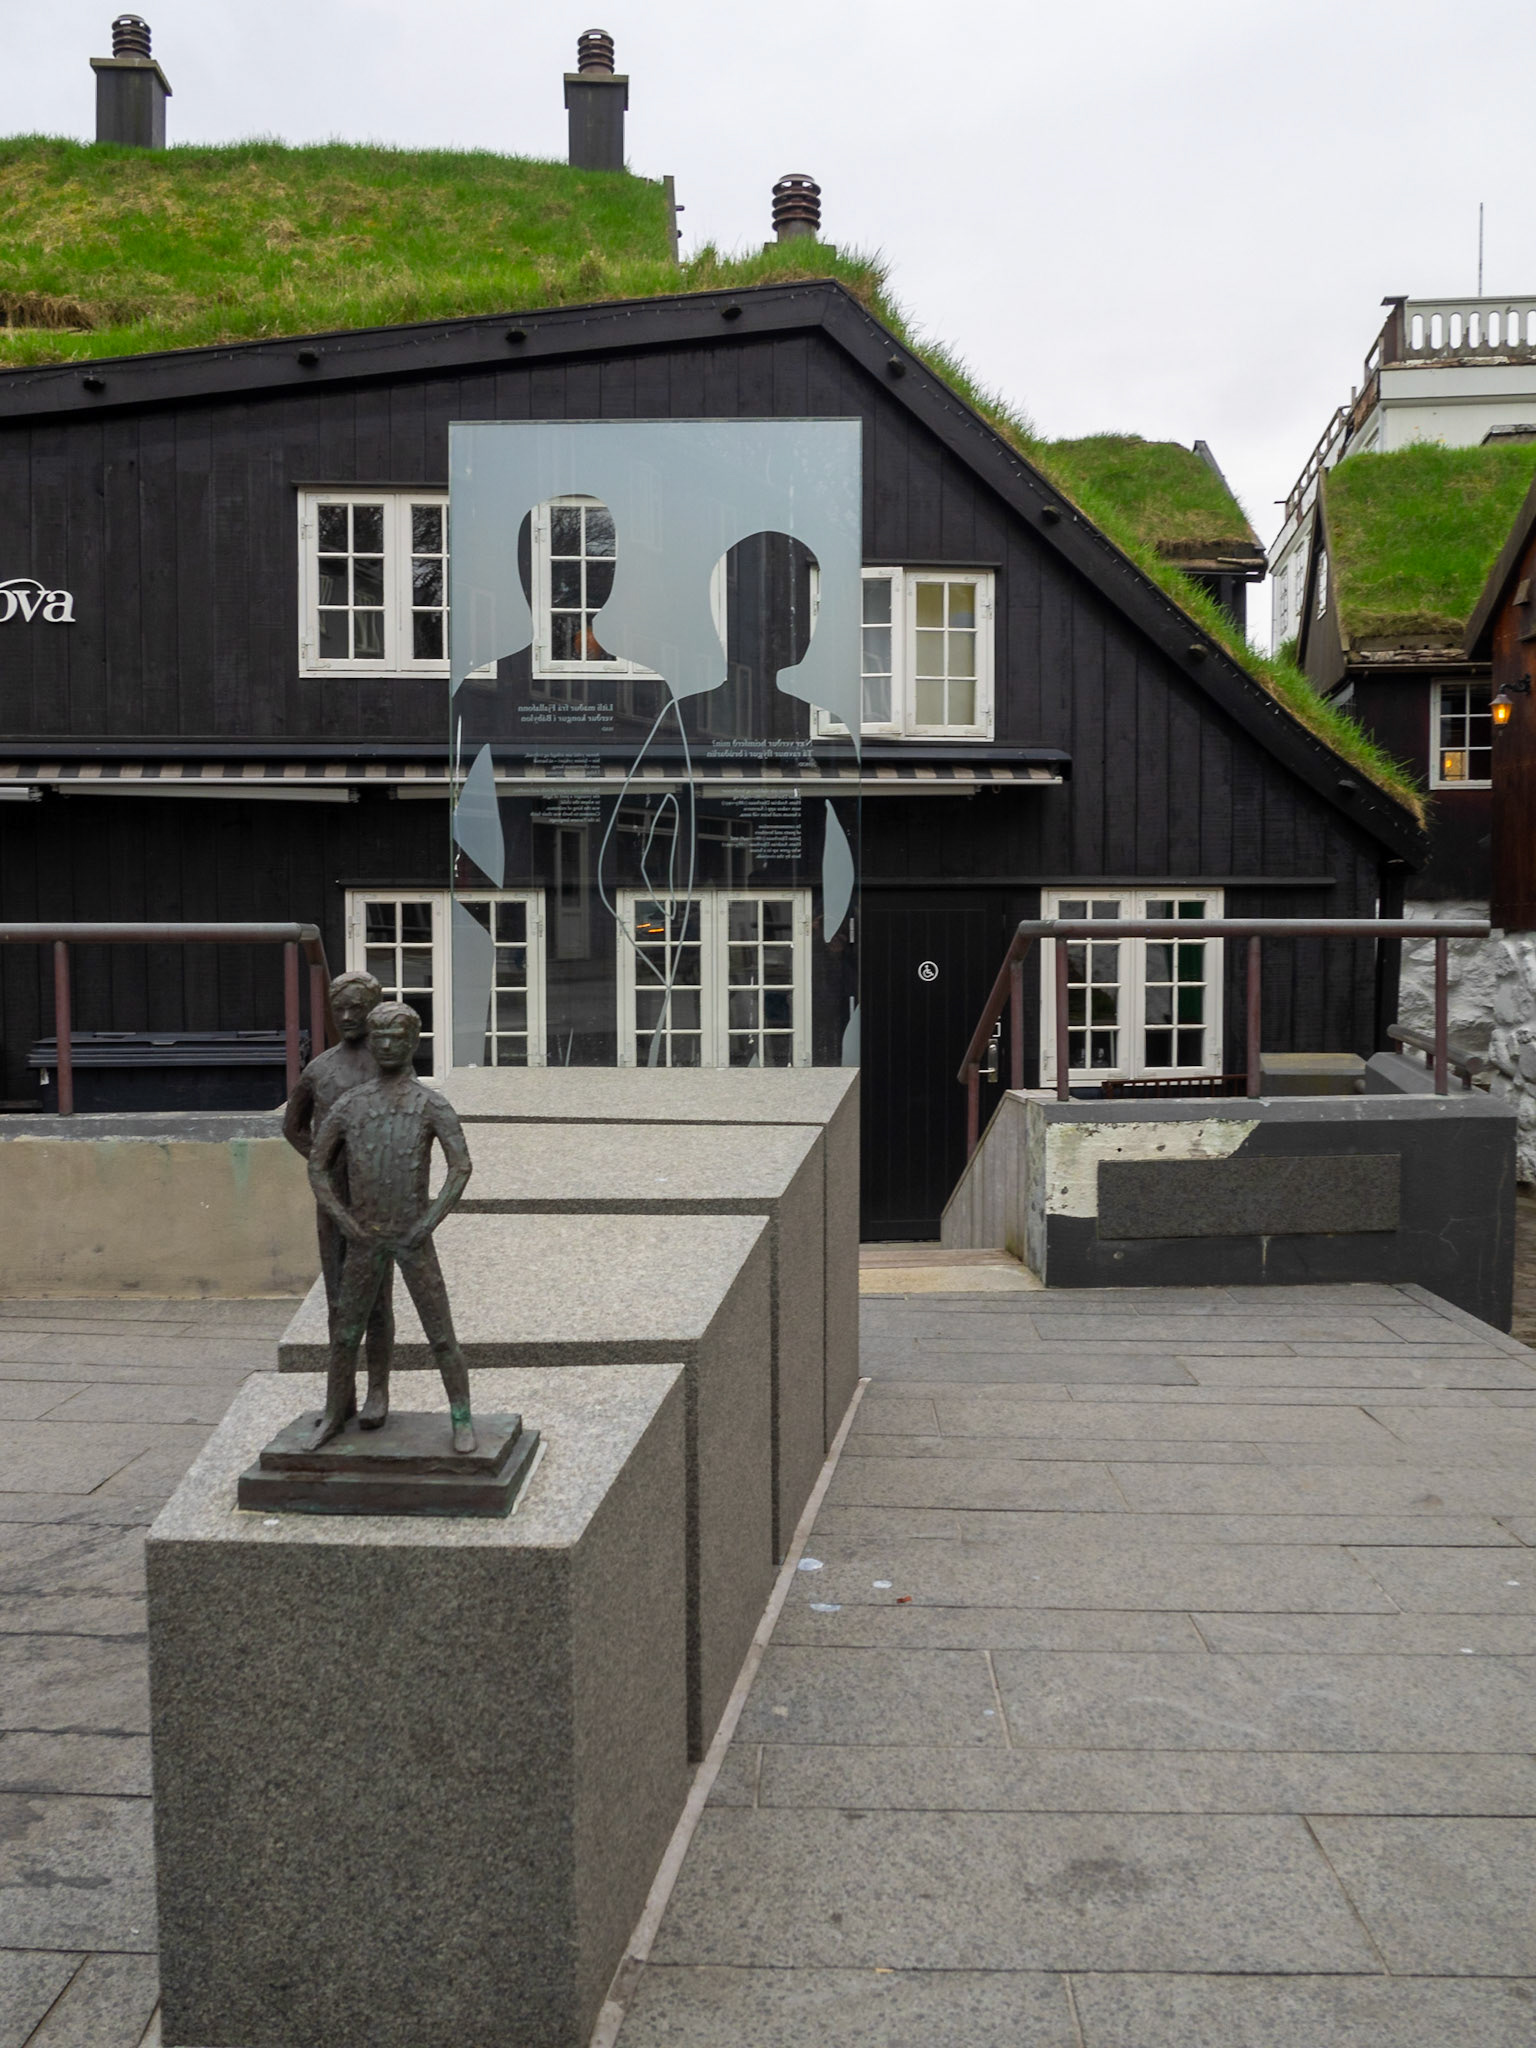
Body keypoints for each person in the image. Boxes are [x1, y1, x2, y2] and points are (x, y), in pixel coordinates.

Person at [304, 1002, 476, 1453]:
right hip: (365, 1237)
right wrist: (345, 1221)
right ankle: (332, 1414)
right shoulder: (351, 1104)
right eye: (377, 1037)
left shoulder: (430, 1104)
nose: (384, 1046)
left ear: (412, 1043)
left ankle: (462, 1418)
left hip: (412, 1237)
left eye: (395, 1039)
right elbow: (318, 1168)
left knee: (441, 1333)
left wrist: (427, 1223)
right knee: (345, 1332)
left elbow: (460, 1167)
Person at [282, 969, 394, 1415]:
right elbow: (292, 1126)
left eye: (357, 1008)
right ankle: (340, 1393)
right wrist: (322, 1163)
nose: (347, 1016)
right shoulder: (320, 1069)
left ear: (374, 1008)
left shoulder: (388, 1064)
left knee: (378, 1299)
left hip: (380, 1195)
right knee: (337, 1299)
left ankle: (378, 1391)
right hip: (333, 1197)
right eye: (340, 1008)